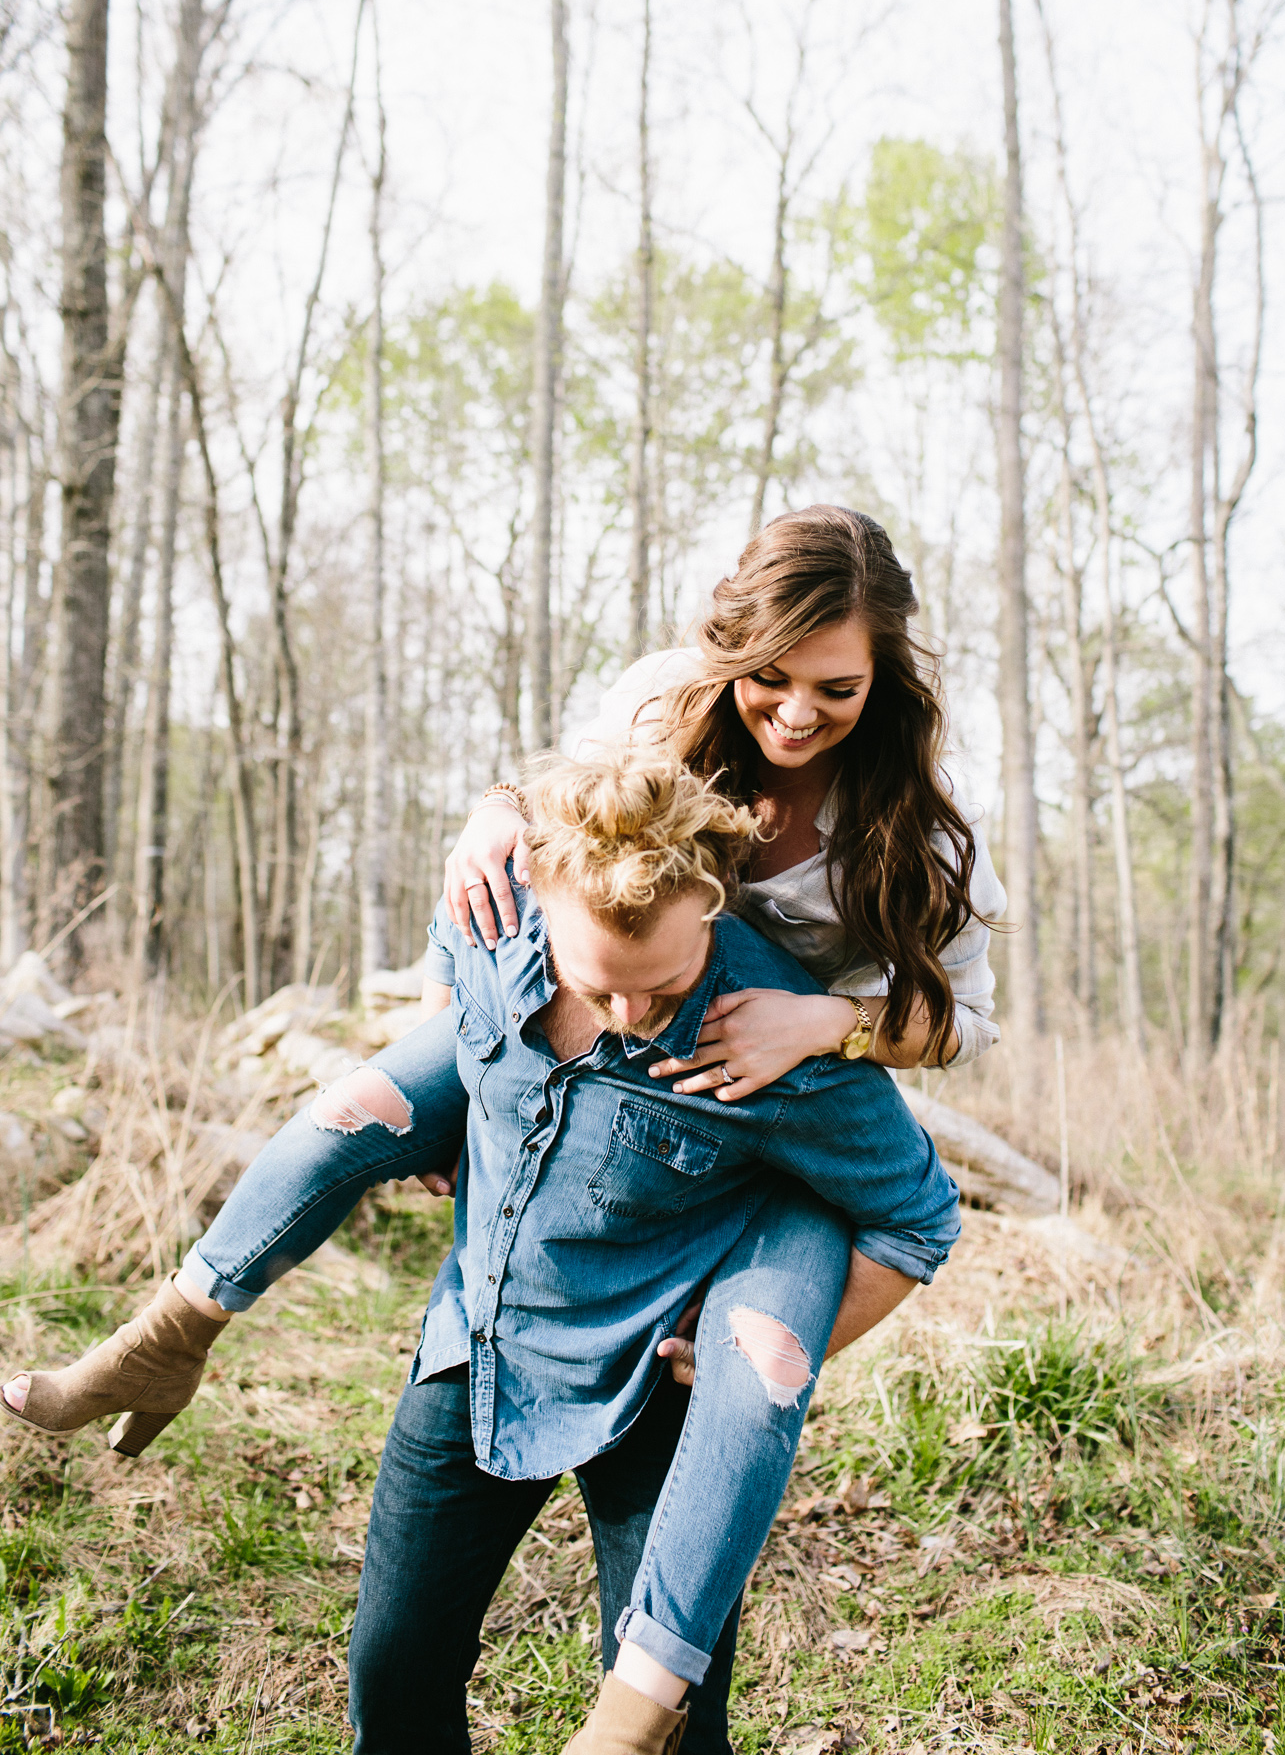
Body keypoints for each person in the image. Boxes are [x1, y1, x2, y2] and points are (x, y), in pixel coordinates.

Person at [2, 503, 1002, 1745]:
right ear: (727, 652)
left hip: (759, 1079)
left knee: (752, 1379)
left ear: (883, 673)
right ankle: (174, 1320)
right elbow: (545, 804)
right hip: (569, 1014)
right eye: (768, 678)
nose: (795, 711)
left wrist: (821, 1028)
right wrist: (491, 829)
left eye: (835, 687)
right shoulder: (659, 710)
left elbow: (957, 1039)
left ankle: (635, 1710)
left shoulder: (911, 821)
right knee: (356, 1106)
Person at [347, 745, 960, 1755]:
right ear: (540, 908)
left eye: (662, 984)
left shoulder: (760, 1036)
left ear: (715, 910)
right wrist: (456, 1100)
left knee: (669, 1720)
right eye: (601, 986)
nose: (630, 1015)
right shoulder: (499, 922)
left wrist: (766, 1354)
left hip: (656, 1386)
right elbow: (465, 1012)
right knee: (394, 1667)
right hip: (482, 1344)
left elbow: (918, 1215)